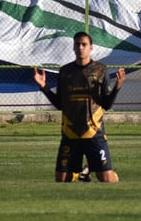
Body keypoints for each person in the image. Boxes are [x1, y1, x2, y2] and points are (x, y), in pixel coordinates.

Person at [33, 31, 126, 183]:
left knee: (107, 179)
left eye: (84, 44)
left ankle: (103, 172)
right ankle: (81, 173)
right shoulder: (65, 72)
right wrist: (44, 87)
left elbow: (107, 105)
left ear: (91, 48)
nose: (80, 47)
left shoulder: (101, 70)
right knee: (61, 180)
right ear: (73, 47)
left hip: (94, 133)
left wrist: (117, 87)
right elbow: (59, 104)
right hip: (70, 134)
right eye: (77, 44)